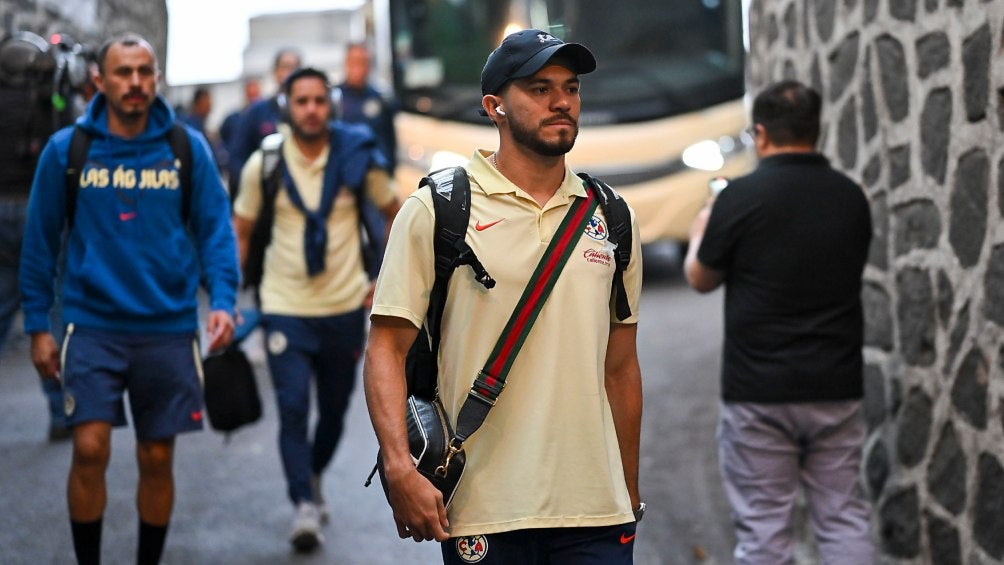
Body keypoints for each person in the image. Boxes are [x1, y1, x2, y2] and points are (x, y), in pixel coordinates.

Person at [363, 29, 644, 564]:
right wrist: (399, 468)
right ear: (494, 106)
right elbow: (386, 349)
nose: (561, 101)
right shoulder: (437, 211)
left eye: (570, 88)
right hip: (483, 509)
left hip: (596, 513)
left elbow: (621, 368)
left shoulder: (612, 216)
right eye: (539, 88)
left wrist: (628, 493)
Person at [18, 33, 239, 565]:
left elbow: (215, 231)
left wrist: (224, 301)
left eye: (144, 71)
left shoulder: (186, 148)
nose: (135, 83)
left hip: (167, 329)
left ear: (156, 76)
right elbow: (40, 242)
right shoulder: (67, 149)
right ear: (100, 79)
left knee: (156, 455)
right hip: (91, 326)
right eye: (123, 72)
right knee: (90, 447)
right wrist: (36, 326)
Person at [683, 80, 874, 564]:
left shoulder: (740, 198)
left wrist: (703, 226)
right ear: (815, 130)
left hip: (759, 394)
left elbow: (701, 279)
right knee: (843, 517)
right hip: (836, 387)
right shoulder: (851, 197)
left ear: (761, 134)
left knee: (765, 531)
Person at [232, 67, 401, 552]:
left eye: (318, 101)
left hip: (345, 306)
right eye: (300, 101)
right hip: (284, 305)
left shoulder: (356, 154)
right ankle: (303, 503)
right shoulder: (265, 164)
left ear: (330, 106)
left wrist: (383, 280)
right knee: (291, 409)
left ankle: (313, 475)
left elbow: (396, 214)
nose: (310, 109)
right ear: (286, 106)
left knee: (333, 412)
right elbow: (240, 230)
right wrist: (228, 294)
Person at [227, 48, 301, 199]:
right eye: (285, 66)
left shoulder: (310, 112)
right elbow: (237, 156)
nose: (290, 72)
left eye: (295, 67)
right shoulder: (258, 111)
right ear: (276, 72)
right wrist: (252, 191)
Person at [336, 43, 398, 173]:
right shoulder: (335, 97)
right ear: (346, 63)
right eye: (355, 62)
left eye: (364, 62)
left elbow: (390, 139)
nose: (359, 68)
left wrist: (391, 170)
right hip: (345, 172)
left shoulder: (381, 98)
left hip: (377, 171)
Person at [219, 77, 262, 198]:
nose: (253, 99)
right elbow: (223, 137)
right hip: (238, 177)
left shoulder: (264, 118)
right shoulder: (233, 118)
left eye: (256, 94)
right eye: (250, 94)